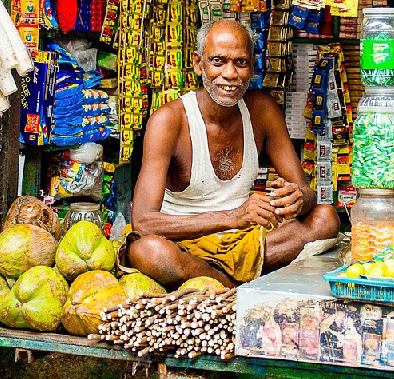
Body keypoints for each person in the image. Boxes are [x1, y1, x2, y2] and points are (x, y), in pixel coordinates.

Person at [122, 19, 339, 288]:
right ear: (198, 63)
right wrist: (233, 217)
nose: (230, 74)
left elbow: (307, 193)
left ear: (251, 67)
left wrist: (296, 199)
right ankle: (233, 286)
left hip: (245, 242)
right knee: (148, 251)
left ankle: (218, 283)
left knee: (325, 218)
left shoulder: (261, 110)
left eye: (240, 62)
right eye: (218, 61)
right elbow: (143, 222)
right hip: (185, 245)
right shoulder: (169, 121)